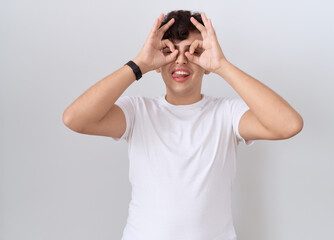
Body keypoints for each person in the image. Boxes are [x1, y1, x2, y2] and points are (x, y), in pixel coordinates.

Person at [63, 10, 303, 240]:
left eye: (193, 51)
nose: (180, 60)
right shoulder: (138, 112)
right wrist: (139, 65)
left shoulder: (227, 113)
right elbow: (75, 119)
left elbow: (288, 125)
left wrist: (222, 66)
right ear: (157, 62)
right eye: (170, 51)